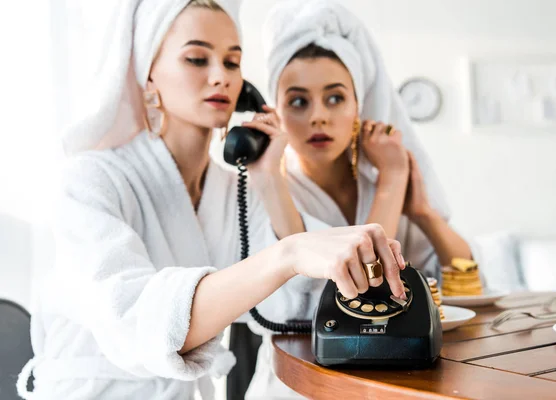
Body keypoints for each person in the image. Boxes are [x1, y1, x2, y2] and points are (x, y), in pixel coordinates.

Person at [16, 1, 406, 399]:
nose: (220, 76)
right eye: (197, 59)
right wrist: (287, 254)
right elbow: (131, 321)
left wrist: (271, 180)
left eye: (233, 63)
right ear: (147, 73)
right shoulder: (88, 179)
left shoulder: (235, 188)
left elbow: (293, 310)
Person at [244, 1, 474, 398]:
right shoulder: (264, 188)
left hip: (401, 379)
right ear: (275, 111)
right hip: (298, 385)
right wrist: (391, 181)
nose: (318, 116)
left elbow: (466, 279)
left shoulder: (378, 179)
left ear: (359, 106)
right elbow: (320, 297)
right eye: (298, 101)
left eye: (335, 98)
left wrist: (421, 212)